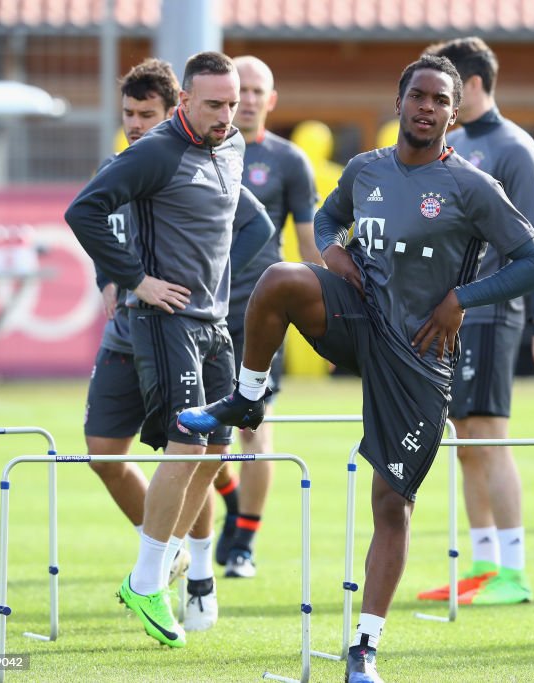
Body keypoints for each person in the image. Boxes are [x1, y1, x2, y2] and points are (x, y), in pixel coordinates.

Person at [179, 55, 534, 683]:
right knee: (280, 279)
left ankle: (364, 648)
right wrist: (329, 249)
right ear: (399, 102)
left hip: (420, 357)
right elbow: (328, 216)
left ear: (453, 114)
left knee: (390, 504)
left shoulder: (471, 187)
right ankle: (246, 396)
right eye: (418, 96)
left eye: (439, 100)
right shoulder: (366, 169)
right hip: (359, 318)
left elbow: (532, 260)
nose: (427, 107)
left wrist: (462, 300)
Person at [65, 51, 274, 648]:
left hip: (214, 322)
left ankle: (173, 564)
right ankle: (149, 579)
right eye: (214, 103)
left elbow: (252, 225)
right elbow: (84, 212)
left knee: (216, 449)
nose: (227, 114)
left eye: (233, 103)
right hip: (166, 322)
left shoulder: (232, 146)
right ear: (185, 100)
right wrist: (135, 279)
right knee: (186, 443)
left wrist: (221, 281)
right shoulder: (155, 151)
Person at [416, 36, 534, 606]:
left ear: (473, 86)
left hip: (495, 311)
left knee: (490, 437)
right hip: (452, 314)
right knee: (463, 439)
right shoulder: (450, 146)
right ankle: (482, 564)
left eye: (448, 89)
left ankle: (515, 571)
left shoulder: (514, 148)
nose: (438, 102)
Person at [84, 57, 218, 602]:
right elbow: (97, 231)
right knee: (103, 454)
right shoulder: (115, 167)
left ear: (173, 113)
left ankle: (189, 570)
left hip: (174, 332)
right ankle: (165, 551)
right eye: (128, 113)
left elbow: (250, 227)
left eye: (146, 113)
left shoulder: (182, 163)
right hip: (122, 337)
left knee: (191, 453)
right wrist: (112, 280)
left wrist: (212, 289)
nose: (135, 124)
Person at [211, 55, 321, 580]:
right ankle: (229, 499)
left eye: (259, 90)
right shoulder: (196, 153)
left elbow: (309, 245)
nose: (249, 99)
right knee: (189, 425)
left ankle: (244, 542)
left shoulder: (289, 161)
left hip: (260, 316)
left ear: (271, 100)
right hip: (197, 310)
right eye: (242, 90)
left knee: (254, 425)